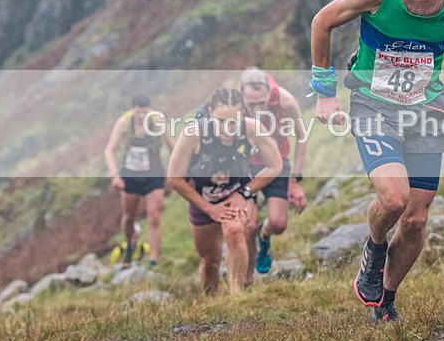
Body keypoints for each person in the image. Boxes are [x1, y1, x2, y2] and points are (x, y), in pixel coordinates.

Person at [310, 0, 444, 322]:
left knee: (417, 220)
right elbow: (322, 22)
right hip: (374, 104)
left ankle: (385, 301)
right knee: (393, 198)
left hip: (427, 109)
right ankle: (373, 247)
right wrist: (325, 94)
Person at [167, 87, 282, 294]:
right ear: (210, 112)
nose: (227, 128)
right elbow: (174, 179)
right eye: (220, 121)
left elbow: (275, 166)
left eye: (233, 122)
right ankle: (212, 300)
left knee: (235, 230)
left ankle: (237, 296)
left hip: (236, 191)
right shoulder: (194, 134)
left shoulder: (251, 128)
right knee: (210, 261)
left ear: (242, 115)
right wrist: (209, 210)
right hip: (203, 198)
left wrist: (244, 193)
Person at [238, 67, 308, 280]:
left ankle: (264, 236)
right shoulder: (234, 106)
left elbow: (301, 136)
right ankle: (247, 278)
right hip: (246, 166)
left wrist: (295, 179)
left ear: (270, 93)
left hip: (277, 164)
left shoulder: (285, 102)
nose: (258, 109)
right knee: (248, 225)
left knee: (278, 224)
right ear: (242, 95)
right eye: (252, 104)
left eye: (262, 103)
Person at [104, 94, 174, 268]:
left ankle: (154, 259)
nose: (142, 116)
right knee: (129, 217)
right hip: (131, 175)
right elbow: (109, 150)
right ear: (132, 109)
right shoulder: (123, 124)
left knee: (154, 216)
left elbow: (173, 147)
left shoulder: (158, 123)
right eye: (139, 112)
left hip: (154, 174)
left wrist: (173, 174)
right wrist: (115, 175)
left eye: (145, 112)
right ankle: (130, 245)